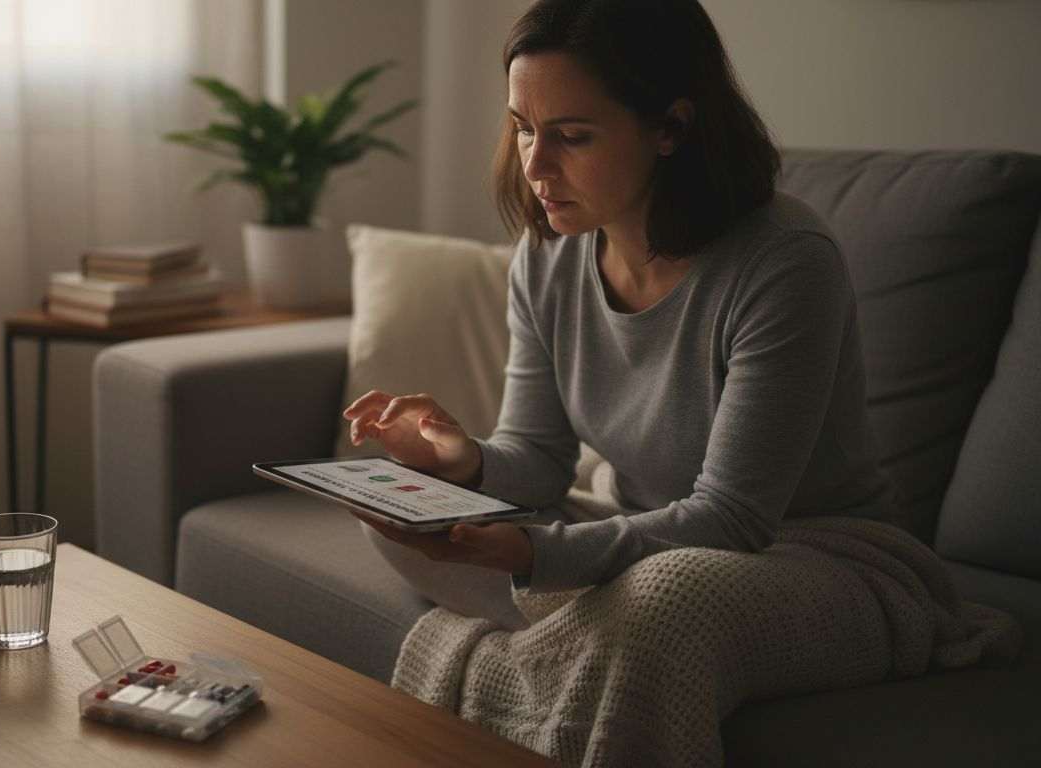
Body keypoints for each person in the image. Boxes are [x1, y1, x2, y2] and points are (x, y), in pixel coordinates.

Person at [342, 0, 901, 633]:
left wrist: (537, 554)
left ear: (671, 128)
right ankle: (590, 629)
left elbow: (733, 518)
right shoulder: (547, 256)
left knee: (666, 597)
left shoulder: (784, 262)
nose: (533, 166)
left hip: (806, 553)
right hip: (647, 529)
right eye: (524, 127)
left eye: (572, 137)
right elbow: (539, 456)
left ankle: (580, 627)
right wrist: (462, 462)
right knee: (397, 519)